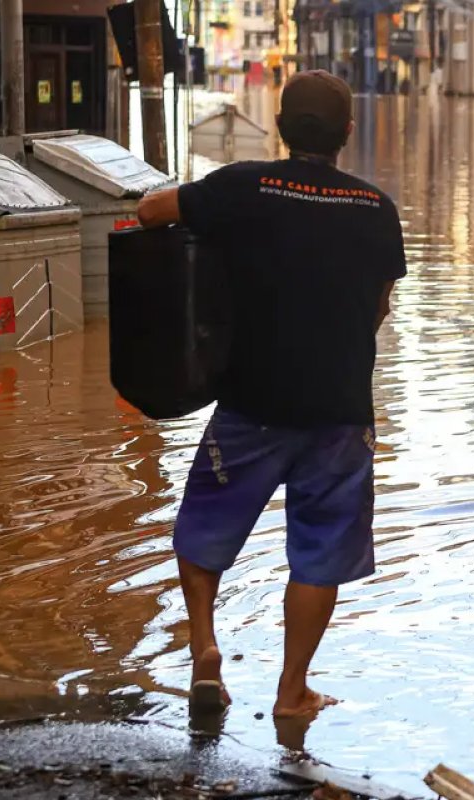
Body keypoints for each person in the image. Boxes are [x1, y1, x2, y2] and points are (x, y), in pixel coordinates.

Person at [136, 70, 406, 718]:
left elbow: (150, 213)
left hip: (251, 405)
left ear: (280, 128)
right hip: (340, 413)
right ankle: (292, 693)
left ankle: (205, 650)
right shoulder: (376, 209)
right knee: (319, 555)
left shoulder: (243, 187)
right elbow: (378, 308)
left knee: (202, 530)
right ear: (348, 132)